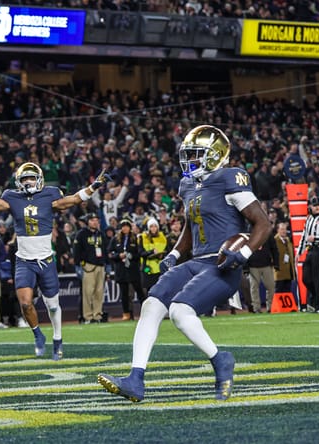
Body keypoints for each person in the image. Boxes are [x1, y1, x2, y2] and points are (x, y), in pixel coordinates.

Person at [98, 125, 271, 402]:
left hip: (222, 264)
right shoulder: (189, 184)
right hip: (196, 260)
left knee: (179, 311)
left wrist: (245, 253)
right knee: (151, 305)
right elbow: (191, 226)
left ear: (215, 154)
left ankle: (220, 360)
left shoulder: (229, 178)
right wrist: (175, 254)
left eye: (196, 154)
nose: (190, 160)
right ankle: (135, 379)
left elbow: (263, 223)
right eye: (189, 154)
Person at [0, 162, 110, 359]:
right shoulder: (12, 197)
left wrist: (95, 185)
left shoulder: (50, 195)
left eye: (31, 178)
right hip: (24, 261)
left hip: (46, 260)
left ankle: (57, 338)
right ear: (18, 181)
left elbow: (75, 199)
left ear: (39, 179)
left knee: (53, 305)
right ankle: (38, 335)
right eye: (24, 178)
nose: (28, 181)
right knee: (25, 304)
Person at [73, 213, 108, 324]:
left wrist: (107, 264)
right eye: (92, 220)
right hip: (88, 266)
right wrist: (77, 265)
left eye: (96, 220)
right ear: (88, 222)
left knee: (99, 292)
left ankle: (97, 315)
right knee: (88, 292)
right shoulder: (82, 234)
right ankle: (87, 316)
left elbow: (105, 250)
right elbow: (76, 250)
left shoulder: (101, 234)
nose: (95, 222)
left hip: (100, 266)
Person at [108, 219, 145, 321]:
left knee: (140, 291)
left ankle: (146, 311)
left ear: (130, 227)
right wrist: (118, 255)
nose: (125, 228)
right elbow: (110, 252)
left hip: (133, 268)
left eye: (127, 226)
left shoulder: (135, 238)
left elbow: (140, 252)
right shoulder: (115, 239)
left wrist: (131, 256)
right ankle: (126, 313)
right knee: (124, 293)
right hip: (121, 269)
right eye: (123, 226)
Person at [246, 227, 278, 313]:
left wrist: (276, 262)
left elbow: (274, 248)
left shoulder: (267, 232)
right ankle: (256, 308)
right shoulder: (249, 232)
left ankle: (270, 307)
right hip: (253, 265)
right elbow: (245, 248)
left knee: (271, 286)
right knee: (254, 287)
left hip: (266, 264)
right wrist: (245, 266)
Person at [138, 218, 168, 296]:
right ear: (148, 228)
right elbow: (140, 253)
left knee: (160, 291)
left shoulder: (163, 238)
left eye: (155, 226)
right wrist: (151, 252)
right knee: (149, 291)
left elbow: (167, 251)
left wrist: (162, 255)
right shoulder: (143, 237)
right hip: (147, 268)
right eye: (151, 226)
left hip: (159, 269)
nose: (153, 228)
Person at [273, 222, 296, 301]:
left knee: (287, 291)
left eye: (285, 229)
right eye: (282, 229)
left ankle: (286, 306)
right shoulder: (274, 241)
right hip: (279, 272)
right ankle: (277, 305)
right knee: (278, 290)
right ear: (278, 230)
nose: (284, 231)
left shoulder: (288, 240)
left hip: (288, 272)